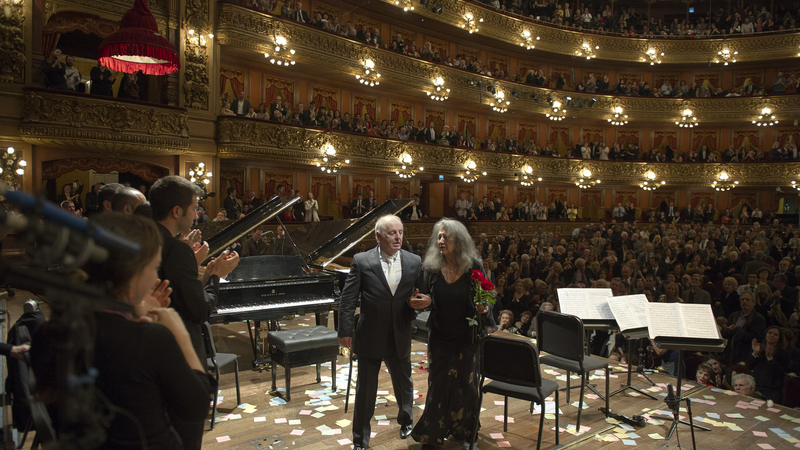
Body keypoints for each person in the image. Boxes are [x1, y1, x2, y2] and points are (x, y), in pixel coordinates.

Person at [31, 213, 213, 449]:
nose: (155, 279)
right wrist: (180, 334)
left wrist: (132, 312)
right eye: (154, 268)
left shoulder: (49, 333)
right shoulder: (151, 340)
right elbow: (197, 406)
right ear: (133, 274)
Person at [149, 175, 239, 449]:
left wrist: (205, 274)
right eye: (194, 207)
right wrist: (217, 276)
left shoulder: (147, 239)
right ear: (177, 211)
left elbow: (179, 295)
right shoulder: (177, 250)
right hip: (178, 352)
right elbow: (200, 311)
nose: (197, 213)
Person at [338, 215, 429, 450]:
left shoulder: (414, 261)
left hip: (400, 332)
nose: (398, 237)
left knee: (404, 383)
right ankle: (360, 440)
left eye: (400, 232)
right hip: (370, 334)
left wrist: (419, 304)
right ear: (378, 236)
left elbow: (422, 293)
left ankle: (406, 421)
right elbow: (348, 299)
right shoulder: (361, 261)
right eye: (392, 233)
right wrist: (344, 331)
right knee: (366, 391)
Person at [411, 218, 492, 449]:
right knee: (439, 384)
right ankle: (432, 435)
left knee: (466, 385)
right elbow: (422, 295)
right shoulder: (431, 268)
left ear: (460, 240)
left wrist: (484, 308)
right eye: (439, 236)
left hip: (467, 337)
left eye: (446, 236)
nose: (441, 241)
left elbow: (486, 296)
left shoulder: (474, 267)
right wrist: (424, 301)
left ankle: (464, 429)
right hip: (440, 335)